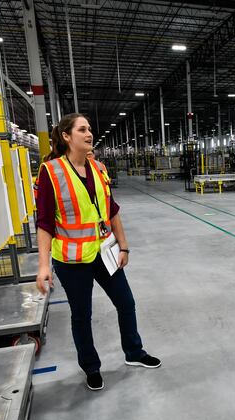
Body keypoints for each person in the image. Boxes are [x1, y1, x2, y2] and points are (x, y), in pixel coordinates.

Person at [35, 113, 160, 391]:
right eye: (82, 130)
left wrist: (123, 245)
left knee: (126, 303)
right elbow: (44, 222)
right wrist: (44, 265)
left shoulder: (99, 168)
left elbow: (111, 210)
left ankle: (134, 352)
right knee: (82, 315)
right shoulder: (51, 172)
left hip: (104, 252)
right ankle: (91, 367)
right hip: (71, 260)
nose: (89, 133)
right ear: (67, 137)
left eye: (90, 129)